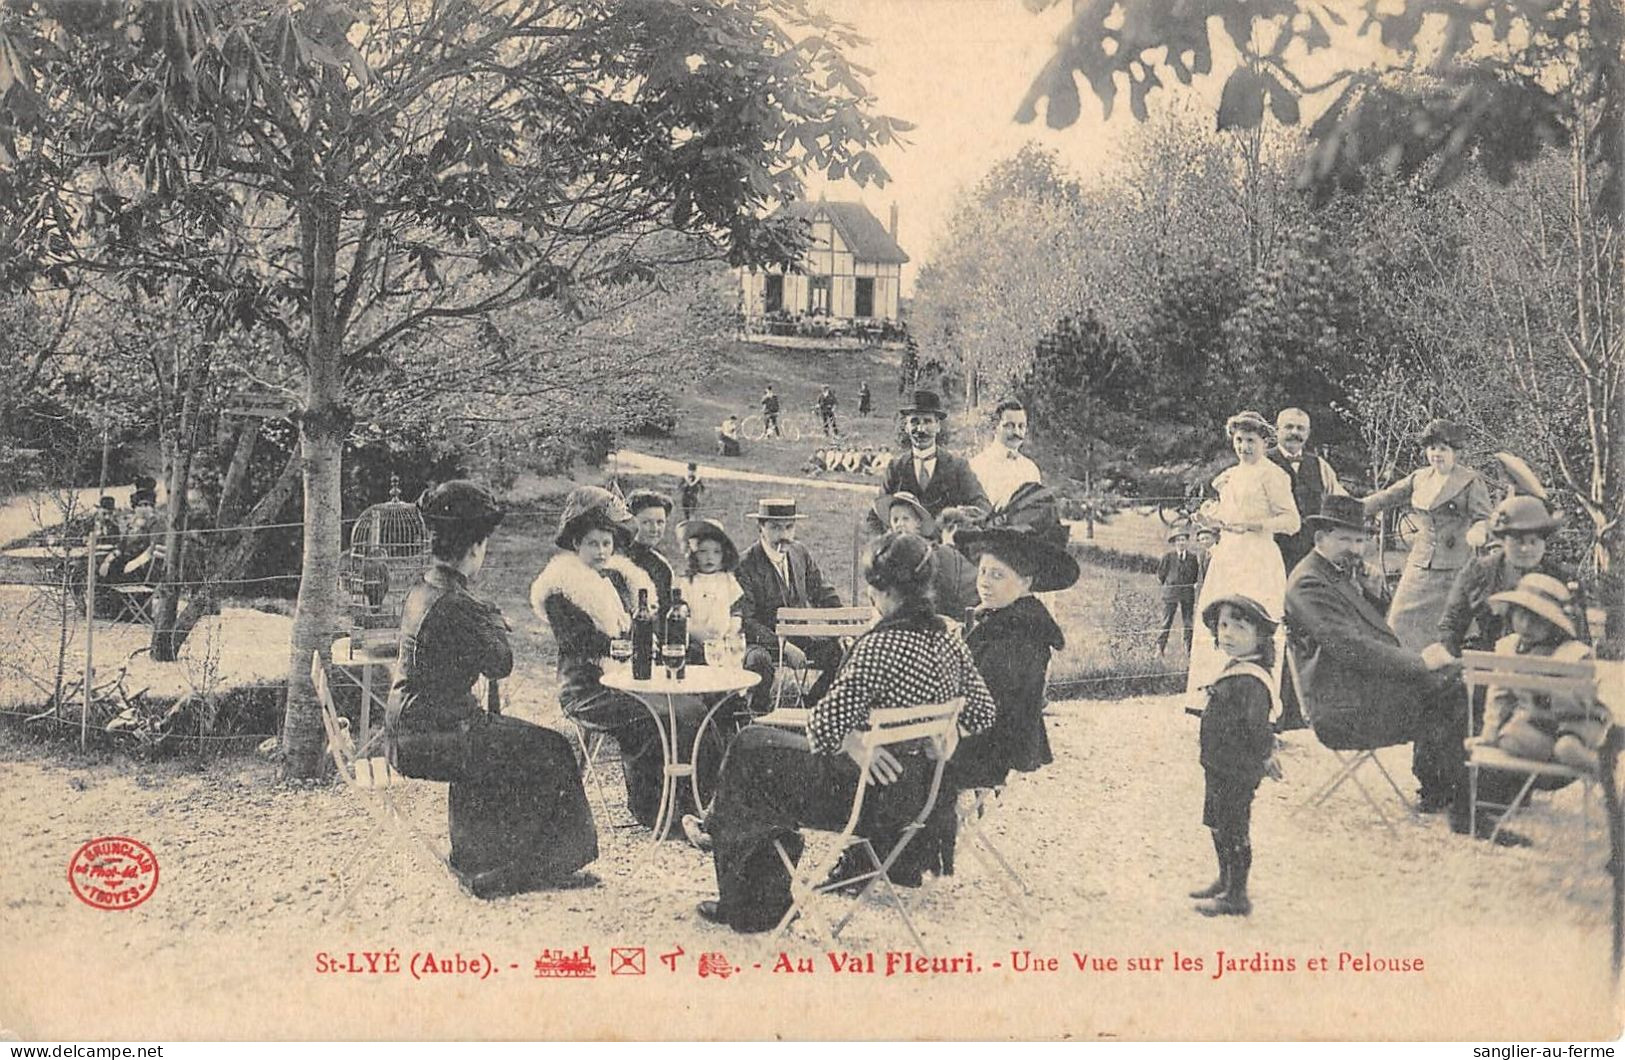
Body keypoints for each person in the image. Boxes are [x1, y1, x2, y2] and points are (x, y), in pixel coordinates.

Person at [682, 532, 997, 933]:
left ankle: (752, 898)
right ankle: (724, 838)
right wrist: (947, 738)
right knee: (759, 745)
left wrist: (856, 743)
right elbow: (984, 711)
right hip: (917, 793)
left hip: (867, 797)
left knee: (749, 749)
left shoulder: (879, 646)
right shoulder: (948, 641)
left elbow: (823, 725)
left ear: (881, 591)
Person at [387, 480, 597, 899]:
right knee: (552, 747)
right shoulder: (459, 603)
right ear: (476, 547)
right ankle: (537, 866)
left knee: (508, 741)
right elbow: (501, 664)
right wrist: (495, 622)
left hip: (407, 728)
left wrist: (485, 621)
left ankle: (481, 857)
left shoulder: (424, 586)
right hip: (439, 735)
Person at [530, 486, 716, 834]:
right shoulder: (560, 588)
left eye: (606, 543)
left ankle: (694, 803)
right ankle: (656, 810)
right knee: (652, 716)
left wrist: (639, 644)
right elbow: (580, 642)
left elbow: (632, 630)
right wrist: (626, 644)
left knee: (691, 708)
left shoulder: (615, 579)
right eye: (592, 544)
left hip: (624, 677)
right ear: (575, 545)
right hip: (586, 689)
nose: (601, 551)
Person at [1284, 495, 1468, 820]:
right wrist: (1420, 663)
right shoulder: (1309, 582)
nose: (1355, 548)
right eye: (1345, 539)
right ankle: (1444, 790)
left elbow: (1372, 633)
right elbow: (1351, 646)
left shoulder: (1335, 573)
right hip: (1340, 709)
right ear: (1320, 539)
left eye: (1359, 540)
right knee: (1449, 690)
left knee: (1450, 682)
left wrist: (1373, 591)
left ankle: (1443, 787)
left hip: (1355, 691)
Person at [1186, 411, 1300, 702]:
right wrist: (1210, 518)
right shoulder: (1231, 475)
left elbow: (1291, 521)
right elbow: (1227, 514)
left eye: (1251, 440)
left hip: (1258, 556)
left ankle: (1258, 703)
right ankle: (1215, 698)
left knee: (1254, 623)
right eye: (1239, 440)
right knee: (1219, 618)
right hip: (1228, 555)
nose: (1244, 447)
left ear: (1264, 442)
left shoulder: (1273, 475)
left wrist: (1256, 525)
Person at [1362, 418, 1493, 652]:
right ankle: (1405, 675)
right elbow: (1386, 497)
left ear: (1455, 451)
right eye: (1432, 448)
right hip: (1420, 565)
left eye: (1443, 448)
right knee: (1398, 622)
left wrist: (1478, 530)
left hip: (1453, 569)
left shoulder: (1470, 481)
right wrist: (1351, 508)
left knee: (1447, 633)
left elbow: (1483, 517)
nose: (1437, 454)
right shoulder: (1420, 478)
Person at [1189, 595, 1281, 918]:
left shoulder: (1252, 680)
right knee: (1217, 823)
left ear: (1259, 637)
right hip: (1217, 764)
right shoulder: (1234, 668)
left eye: (1239, 628)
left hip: (1236, 769)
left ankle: (1237, 895)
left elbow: (1258, 727)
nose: (1227, 633)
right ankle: (1225, 879)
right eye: (1223, 626)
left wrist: (1266, 755)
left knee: (1233, 828)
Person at [1476, 574, 1604, 772]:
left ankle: (1606, 770)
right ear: (1511, 614)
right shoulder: (1508, 648)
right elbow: (1499, 694)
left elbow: (1585, 703)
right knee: (1510, 736)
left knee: (1566, 747)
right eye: (1521, 615)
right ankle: (1553, 752)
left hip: (1576, 723)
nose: (1526, 626)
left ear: (1554, 624)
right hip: (1538, 725)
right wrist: (1490, 732)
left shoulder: (1573, 653)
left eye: (1537, 619)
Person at [734, 498, 845, 713]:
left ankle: (811, 707)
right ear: (761, 528)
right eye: (775, 528)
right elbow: (745, 620)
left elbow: (823, 592)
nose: (784, 535)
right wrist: (782, 647)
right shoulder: (745, 564)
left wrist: (842, 628)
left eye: (789, 527)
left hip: (800, 637)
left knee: (842, 653)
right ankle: (759, 716)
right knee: (759, 660)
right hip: (762, 642)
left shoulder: (799, 552)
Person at [1433, 494, 1567, 659]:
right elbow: (1451, 625)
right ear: (1503, 540)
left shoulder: (1561, 580)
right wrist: (1453, 660)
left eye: (1533, 542)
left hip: (1545, 668)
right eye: (1518, 541)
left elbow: (1577, 641)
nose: (1526, 549)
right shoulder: (1479, 572)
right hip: (1490, 663)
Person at [873, 389, 991, 530]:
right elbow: (875, 517)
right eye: (915, 422)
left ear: (938, 426)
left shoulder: (957, 466)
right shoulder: (896, 467)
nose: (921, 429)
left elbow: (983, 507)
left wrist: (960, 519)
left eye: (927, 421)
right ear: (906, 427)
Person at [1267, 407, 1347, 576]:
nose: (1295, 432)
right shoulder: (1262, 463)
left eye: (1300, 428)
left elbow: (1341, 502)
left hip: (1311, 552)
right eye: (1289, 427)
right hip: (1272, 551)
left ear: (1308, 433)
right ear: (1276, 430)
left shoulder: (1319, 465)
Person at [872, 491, 978, 619]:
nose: (900, 524)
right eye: (895, 520)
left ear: (918, 523)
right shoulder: (887, 556)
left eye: (906, 518)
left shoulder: (932, 553)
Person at [675, 518, 744, 650]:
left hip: (724, 640)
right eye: (703, 552)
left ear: (724, 555)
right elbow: (684, 616)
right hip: (697, 641)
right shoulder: (688, 582)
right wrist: (700, 635)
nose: (710, 557)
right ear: (693, 554)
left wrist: (731, 632)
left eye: (716, 552)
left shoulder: (728, 580)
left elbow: (736, 612)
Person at [968, 398, 1042, 512]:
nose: (1017, 432)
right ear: (994, 427)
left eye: (1021, 426)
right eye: (1009, 426)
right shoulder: (976, 466)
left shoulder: (1031, 469)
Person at [624, 489, 675, 612]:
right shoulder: (618, 556)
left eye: (660, 522)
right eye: (646, 522)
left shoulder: (661, 567)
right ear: (633, 521)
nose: (654, 529)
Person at [1156, 525, 1202, 656]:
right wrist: (1169, 586)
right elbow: (1160, 576)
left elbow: (1195, 576)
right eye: (1178, 540)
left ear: (1187, 542)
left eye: (1183, 539)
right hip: (1170, 594)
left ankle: (1188, 649)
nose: (1181, 542)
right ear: (1174, 542)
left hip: (1187, 594)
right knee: (1166, 622)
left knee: (1188, 622)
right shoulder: (1168, 557)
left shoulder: (1193, 558)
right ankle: (1160, 648)